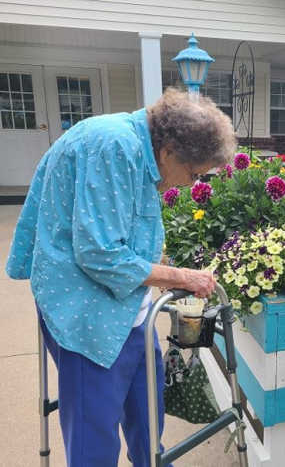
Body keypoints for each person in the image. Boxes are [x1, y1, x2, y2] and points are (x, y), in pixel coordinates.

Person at [5, 87, 236, 467]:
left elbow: (132, 232)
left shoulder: (141, 151)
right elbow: (100, 254)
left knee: (148, 415)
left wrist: (162, 274)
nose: (191, 185)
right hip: (86, 311)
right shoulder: (113, 146)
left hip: (130, 309)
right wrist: (180, 274)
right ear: (169, 152)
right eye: (194, 174)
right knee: (94, 437)